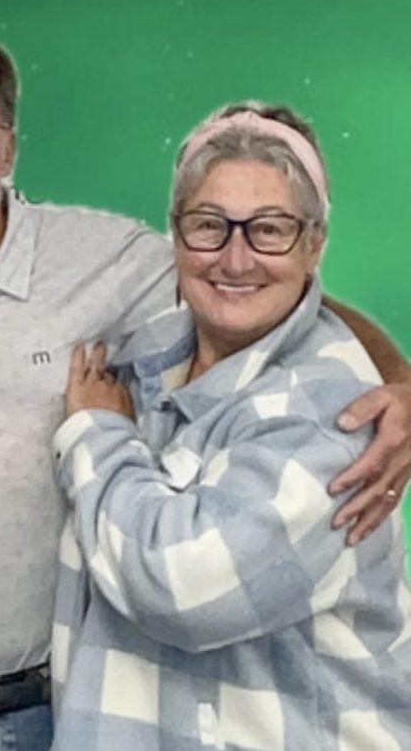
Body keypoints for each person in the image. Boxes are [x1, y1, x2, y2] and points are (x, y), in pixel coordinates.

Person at [0, 24, 411, 751]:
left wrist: (402, 385)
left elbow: (259, 287)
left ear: (8, 143)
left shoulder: (109, 260)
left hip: (56, 705)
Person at [51, 102, 411, 748]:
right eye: (209, 226)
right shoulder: (146, 350)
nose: (236, 259)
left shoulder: (338, 421)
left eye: (270, 230)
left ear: (315, 242)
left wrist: (97, 436)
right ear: (176, 232)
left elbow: (179, 588)